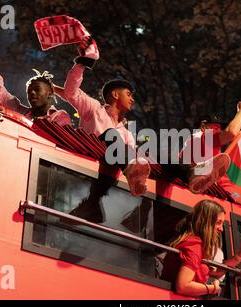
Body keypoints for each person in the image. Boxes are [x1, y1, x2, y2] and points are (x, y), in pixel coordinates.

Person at [63, 38, 231, 196]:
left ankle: (194, 174)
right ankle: (133, 172)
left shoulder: (126, 133)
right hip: (93, 159)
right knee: (111, 135)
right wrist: (83, 62)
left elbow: (137, 153)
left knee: (157, 152)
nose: (132, 99)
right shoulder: (93, 108)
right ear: (115, 94)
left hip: (116, 165)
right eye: (128, 94)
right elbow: (71, 92)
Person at [160, 199, 241, 297]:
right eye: (218, 222)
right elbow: (183, 286)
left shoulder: (195, 243)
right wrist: (212, 289)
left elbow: (216, 272)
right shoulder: (194, 246)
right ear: (205, 222)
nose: (221, 229)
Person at [0, 31, 71, 125]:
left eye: (37, 89)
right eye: (29, 91)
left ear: (49, 92)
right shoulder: (20, 112)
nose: (32, 93)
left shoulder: (60, 117)